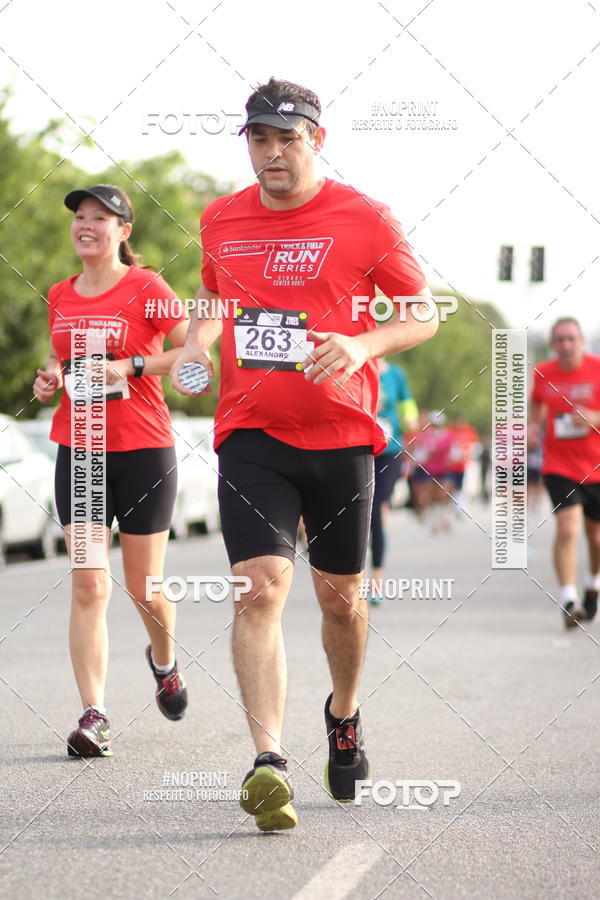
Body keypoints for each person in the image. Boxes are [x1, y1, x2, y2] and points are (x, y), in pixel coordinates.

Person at [172, 77, 437, 830]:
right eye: (260, 138)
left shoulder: (363, 217)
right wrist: (196, 343)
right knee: (259, 587)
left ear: (316, 139)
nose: (274, 152)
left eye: (288, 138)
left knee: (341, 601)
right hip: (251, 433)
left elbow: (420, 313)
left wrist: (361, 341)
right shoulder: (221, 219)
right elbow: (215, 298)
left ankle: (344, 714)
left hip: (343, 436)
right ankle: (268, 762)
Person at [33, 184, 189, 757]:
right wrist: (49, 376)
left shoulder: (146, 287)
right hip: (81, 447)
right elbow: (58, 354)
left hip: (144, 448)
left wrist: (132, 363)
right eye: (80, 216)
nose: (87, 225)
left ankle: (164, 662)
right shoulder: (59, 293)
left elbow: (194, 349)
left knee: (144, 588)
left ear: (124, 231)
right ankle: (93, 714)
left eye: (101, 218)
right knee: (88, 582)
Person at [530, 317, 600, 629]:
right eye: (559, 340)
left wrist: (593, 416)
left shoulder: (597, 368)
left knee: (596, 537)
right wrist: (533, 426)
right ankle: (569, 599)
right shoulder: (544, 372)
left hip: (596, 465)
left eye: (571, 338)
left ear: (582, 341)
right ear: (553, 345)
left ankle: (592, 584)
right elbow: (536, 403)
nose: (565, 345)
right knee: (568, 528)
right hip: (559, 465)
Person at [368, 360, 418, 605]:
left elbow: (408, 406)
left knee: (377, 508)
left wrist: (411, 420)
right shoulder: (355, 364)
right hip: (359, 448)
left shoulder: (396, 374)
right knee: (361, 513)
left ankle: (376, 581)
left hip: (390, 450)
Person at [446, 413, 479, 514]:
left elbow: (474, 447)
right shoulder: (450, 431)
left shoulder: (469, 431)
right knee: (450, 485)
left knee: (460, 486)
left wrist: (468, 454)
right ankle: (451, 504)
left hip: (463, 464)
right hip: (451, 465)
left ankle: (460, 506)